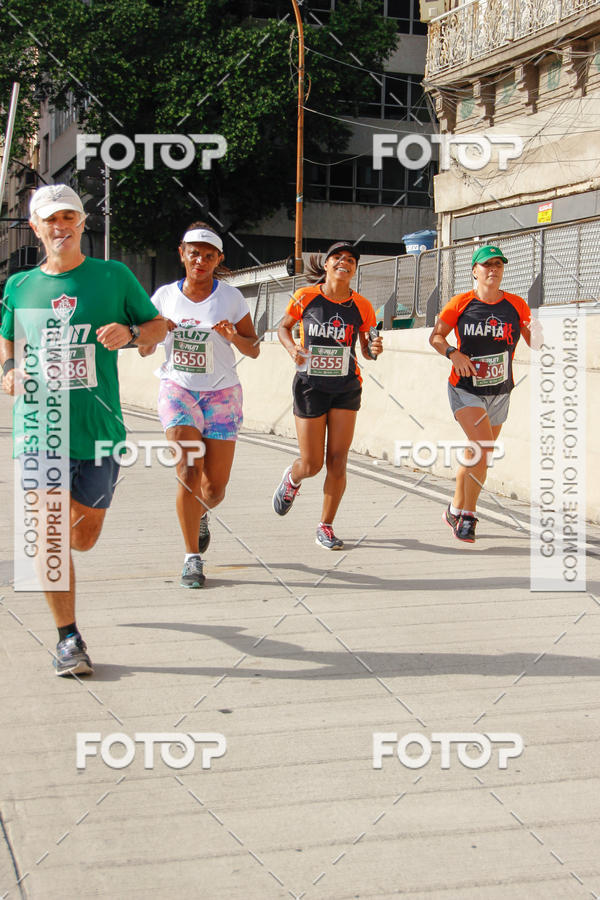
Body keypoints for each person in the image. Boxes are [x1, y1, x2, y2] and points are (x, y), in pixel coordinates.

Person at [0, 183, 167, 675]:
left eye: (68, 217)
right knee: (49, 533)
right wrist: (9, 369)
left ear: (82, 223)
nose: (60, 226)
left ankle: (71, 538)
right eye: (50, 219)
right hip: (40, 426)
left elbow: (158, 328)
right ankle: (68, 638)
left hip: (99, 430)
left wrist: (131, 333)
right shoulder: (20, 286)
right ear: (35, 227)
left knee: (84, 537)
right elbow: (6, 339)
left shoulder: (113, 277)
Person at [139, 222, 259, 588]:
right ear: (182, 254)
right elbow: (144, 348)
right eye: (194, 254)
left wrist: (233, 335)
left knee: (214, 489)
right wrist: (158, 331)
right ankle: (192, 558)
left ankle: (201, 512)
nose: (200, 261)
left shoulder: (231, 298)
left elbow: (253, 349)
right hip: (179, 390)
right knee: (189, 472)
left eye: (209, 256)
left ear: (219, 259)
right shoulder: (163, 297)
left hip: (222, 394)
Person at [272, 240, 383, 549]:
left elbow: (367, 349)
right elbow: (283, 328)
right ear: (327, 264)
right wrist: (292, 348)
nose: (344, 262)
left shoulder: (363, 306)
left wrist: (374, 349)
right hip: (310, 386)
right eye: (338, 257)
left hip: (346, 386)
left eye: (350, 260)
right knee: (312, 463)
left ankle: (326, 526)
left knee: (337, 461)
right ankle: (293, 478)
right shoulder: (305, 296)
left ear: (354, 269)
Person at [429, 244, 541, 542]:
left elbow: (535, 342)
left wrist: (538, 331)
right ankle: (468, 516)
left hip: (500, 390)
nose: (493, 269)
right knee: (480, 447)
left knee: (479, 453)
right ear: (474, 271)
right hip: (465, 388)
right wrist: (453, 353)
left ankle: (454, 509)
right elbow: (436, 336)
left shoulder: (516, 305)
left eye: (498, 265)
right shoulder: (460, 303)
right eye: (487, 264)